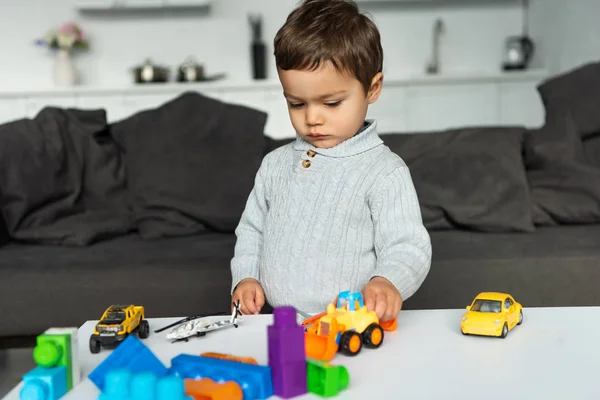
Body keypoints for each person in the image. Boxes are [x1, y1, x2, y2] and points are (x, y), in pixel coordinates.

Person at [230, 0, 431, 323]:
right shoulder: (274, 166)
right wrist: (245, 277)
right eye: (296, 103)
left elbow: (407, 245)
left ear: (372, 88)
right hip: (279, 320)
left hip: (350, 324)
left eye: (332, 103)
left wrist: (388, 280)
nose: (312, 118)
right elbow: (252, 230)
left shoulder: (384, 171)